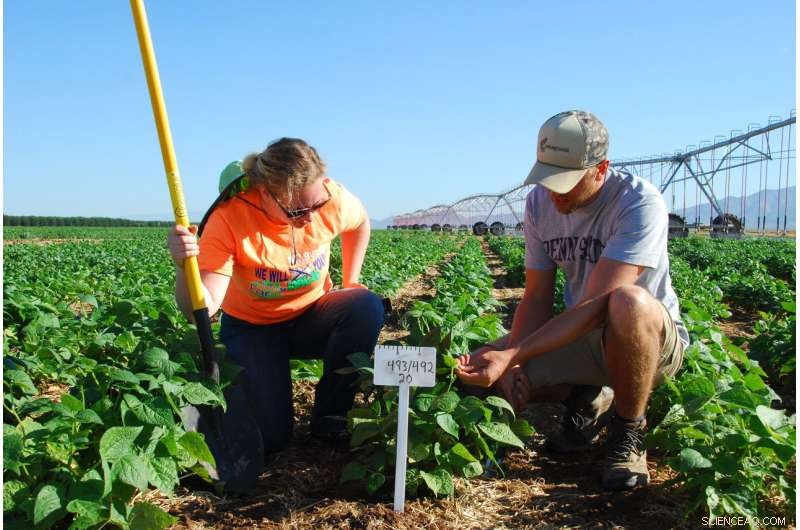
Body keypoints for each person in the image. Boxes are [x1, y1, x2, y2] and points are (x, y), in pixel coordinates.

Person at [456, 110, 688, 491]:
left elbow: (597, 303)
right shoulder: (538, 205)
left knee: (628, 302)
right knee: (477, 371)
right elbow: (536, 296)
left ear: (601, 169)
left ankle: (628, 432)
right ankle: (588, 397)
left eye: (565, 182)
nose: (554, 192)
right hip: (581, 336)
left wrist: (514, 355)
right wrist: (512, 358)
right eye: (548, 179)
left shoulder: (638, 203)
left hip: (646, 342)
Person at [168, 138, 384, 486]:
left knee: (365, 306)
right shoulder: (229, 219)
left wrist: (352, 279)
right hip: (254, 328)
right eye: (298, 212)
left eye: (317, 205)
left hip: (313, 315)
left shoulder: (331, 199)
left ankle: (331, 415)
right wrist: (184, 268)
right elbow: (202, 308)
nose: (312, 219)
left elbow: (360, 223)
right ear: (265, 194)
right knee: (273, 438)